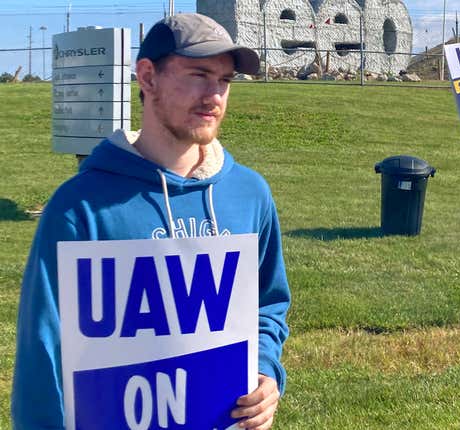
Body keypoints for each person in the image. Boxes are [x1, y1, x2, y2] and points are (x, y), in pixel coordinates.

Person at [12, 13, 290, 430]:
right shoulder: (80, 208)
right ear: (147, 77)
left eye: (225, 81)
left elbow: (268, 304)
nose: (214, 95)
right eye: (198, 74)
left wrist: (266, 371)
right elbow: (42, 354)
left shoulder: (249, 194)